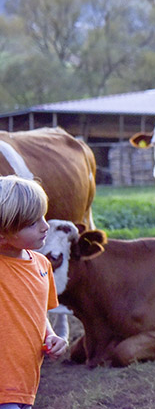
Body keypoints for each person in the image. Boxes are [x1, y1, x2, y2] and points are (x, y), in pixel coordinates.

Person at [0, 175, 68, 409]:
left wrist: (50, 336)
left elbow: (38, 315)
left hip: (26, 382)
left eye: (43, 216)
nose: (45, 226)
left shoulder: (42, 265)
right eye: (32, 223)